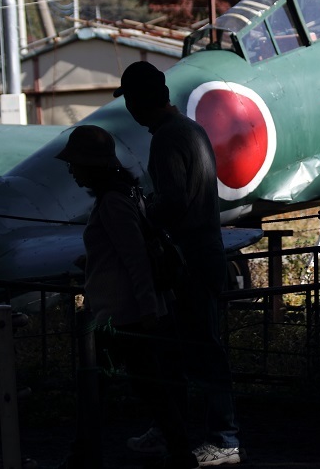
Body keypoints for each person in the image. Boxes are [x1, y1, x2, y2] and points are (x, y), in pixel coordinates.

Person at [115, 61, 242, 467]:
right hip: (202, 254)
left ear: (136, 104)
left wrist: (139, 212)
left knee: (199, 352)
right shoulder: (189, 129)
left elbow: (171, 203)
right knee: (186, 349)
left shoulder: (168, 139)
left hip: (186, 260)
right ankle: (176, 430)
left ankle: (223, 440)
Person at [55, 125, 196, 469]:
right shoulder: (127, 194)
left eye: (75, 163)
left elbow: (135, 257)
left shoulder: (113, 202)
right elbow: (127, 251)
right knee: (149, 388)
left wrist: (147, 309)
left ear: (91, 165)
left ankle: (83, 457)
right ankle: (180, 453)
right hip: (128, 313)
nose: (71, 169)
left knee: (96, 386)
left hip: (119, 316)